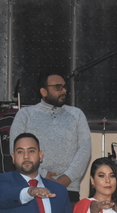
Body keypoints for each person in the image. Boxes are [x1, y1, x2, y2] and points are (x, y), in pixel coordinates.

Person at [9, 73, 92, 203]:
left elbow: (85, 150)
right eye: (58, 87)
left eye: (64, 87)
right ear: (44, 92)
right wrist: (42, 174)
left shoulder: (77, 114)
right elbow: (15, 150)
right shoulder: (25, 115)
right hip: (33, 186)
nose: (64, 91)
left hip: (68, 188)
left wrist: (67, 178)